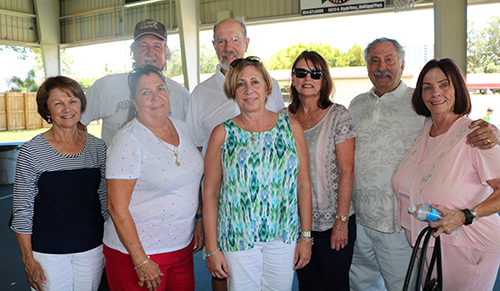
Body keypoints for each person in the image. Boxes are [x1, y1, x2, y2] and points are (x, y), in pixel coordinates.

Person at [348, 37, 499, 291]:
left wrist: (494, 131)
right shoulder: (422, 124)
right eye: (374, 60)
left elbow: (477, 141)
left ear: (402, 64)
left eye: (389, 59)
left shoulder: (457, 126)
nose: (381, 66)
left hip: (422, 231)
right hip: (381, 224)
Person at [185, 17, 284, 291]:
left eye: (235, 39)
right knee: (222, 274)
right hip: (222, 207)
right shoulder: (200, 94)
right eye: (221, 41)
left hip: (270, 209)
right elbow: (196, 159)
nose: (228, 47)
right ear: (214, 45)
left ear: (247, 43)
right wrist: (201, 216)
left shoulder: (270, 86)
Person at [203, 57, 313, 291]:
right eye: (241, 84)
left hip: (283, 236)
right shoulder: (221, 134)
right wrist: (211, 248)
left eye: (255, 82)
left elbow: (303, 185)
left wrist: (306, 236)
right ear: (233, 91)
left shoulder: (291, 128)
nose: (248, 89)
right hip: (237, 237)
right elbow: (211, 194)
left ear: (267, 87)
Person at [392, 58, 500, 291]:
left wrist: (466, 215)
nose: (435, 93)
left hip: (469, 246)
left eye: (444, 85)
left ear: (457, 89)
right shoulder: (426, 130)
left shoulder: (474, 134)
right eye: (427, 87)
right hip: (432, 245)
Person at [103, 65, 204, 290]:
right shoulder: (128, 141)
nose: (155, 97)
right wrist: (140, 260)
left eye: (160, 88)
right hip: (139, 254)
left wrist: (198, 218)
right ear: (134, 102)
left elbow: (191, 176)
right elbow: (115, 206)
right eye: (145, 92)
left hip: (181, 248)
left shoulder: (182, 127)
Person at [10, 76, 107, 291]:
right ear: (47, 110)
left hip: (91, 248)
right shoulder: (31, 152)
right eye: (58, 103)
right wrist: (28, 259)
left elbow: (105, 200)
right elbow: (22, 210)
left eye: (72, 100)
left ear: (81, 104)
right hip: (48, 253)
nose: (67, 108)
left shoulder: (98, 148)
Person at [283, 51, 356, 291]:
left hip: (333, 221)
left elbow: (347, 171)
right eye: (301, 72)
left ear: (324, 80)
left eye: (315, 74)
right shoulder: (281, 119)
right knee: (308, 285)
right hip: (296, 223)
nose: (308, 78)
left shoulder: (338, 115)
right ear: (293, 78)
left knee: (335, 285)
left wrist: (341, 220)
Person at [79, 19, 190, 146]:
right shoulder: (105, 87)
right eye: (143, 46)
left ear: (166, 54)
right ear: (133, 52)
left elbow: (195, 133)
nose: (150, 52)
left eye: (157, 46)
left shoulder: (180, 94)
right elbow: (78, 123)